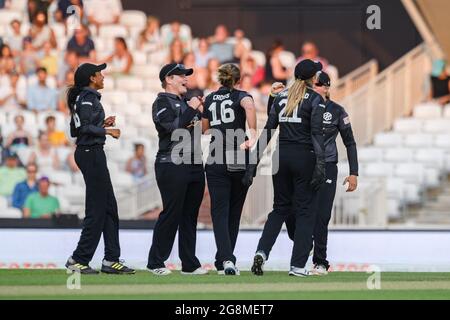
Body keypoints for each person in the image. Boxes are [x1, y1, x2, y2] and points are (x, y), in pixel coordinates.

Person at [261, 72, 359, 276]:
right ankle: (304, 245)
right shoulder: (302, 103)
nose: (316, 87)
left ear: (327, 87)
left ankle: (320, 262)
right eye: (315, 83)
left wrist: (353, 172)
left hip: (327, 165)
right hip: (305, 164)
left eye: (320, 84)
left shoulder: (337, 111)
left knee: (321, 215)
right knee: (291, 212)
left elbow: (349, 142)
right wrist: (273, 97)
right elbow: (275, 118)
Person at [243, 59, 326, 277]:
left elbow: (268, 131)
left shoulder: (280, 98)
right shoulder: (316, 99)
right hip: (304, 156)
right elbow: (317, 135)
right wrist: (320, 165)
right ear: (313, 78)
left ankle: (262, 251)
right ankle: (298, 265)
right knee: (305, 211)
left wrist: (253, 163)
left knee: (280, 209)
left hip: (281, 157)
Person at [65, 62, 135, 275]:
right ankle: (78, 259)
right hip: (90, 153)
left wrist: (101, 124)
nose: (103, 76)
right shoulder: (88, 98)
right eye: (100, 73)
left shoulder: (84, 98)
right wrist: (107, 131)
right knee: (97, 209)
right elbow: (82, 129)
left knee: (108, 208)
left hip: (90, 153)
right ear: (91, 78)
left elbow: (76, 129)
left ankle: (111, 259)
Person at [147, 63, 207, 276]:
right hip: (171, 162)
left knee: (190, 215)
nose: (186, 79)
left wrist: (203, 109)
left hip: (193, 163)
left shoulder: (185, 102)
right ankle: (156, 262)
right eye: (181, 75)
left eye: (186, 75)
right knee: (171, 213)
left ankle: (189, 263)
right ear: (168, 79)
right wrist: (191, 108)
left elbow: (204, 128)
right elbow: (172, 129)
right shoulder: (161, 102)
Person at [202, 63, 256, 275]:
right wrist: (252, 132)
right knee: (234, 212)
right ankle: (226, 259)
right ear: (238, 80)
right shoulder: (241, 95)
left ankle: (224, 259)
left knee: (220, 211)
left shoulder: (209, 98)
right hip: (237, 155)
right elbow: (249, 106)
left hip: (216, 155)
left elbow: (205, 130)